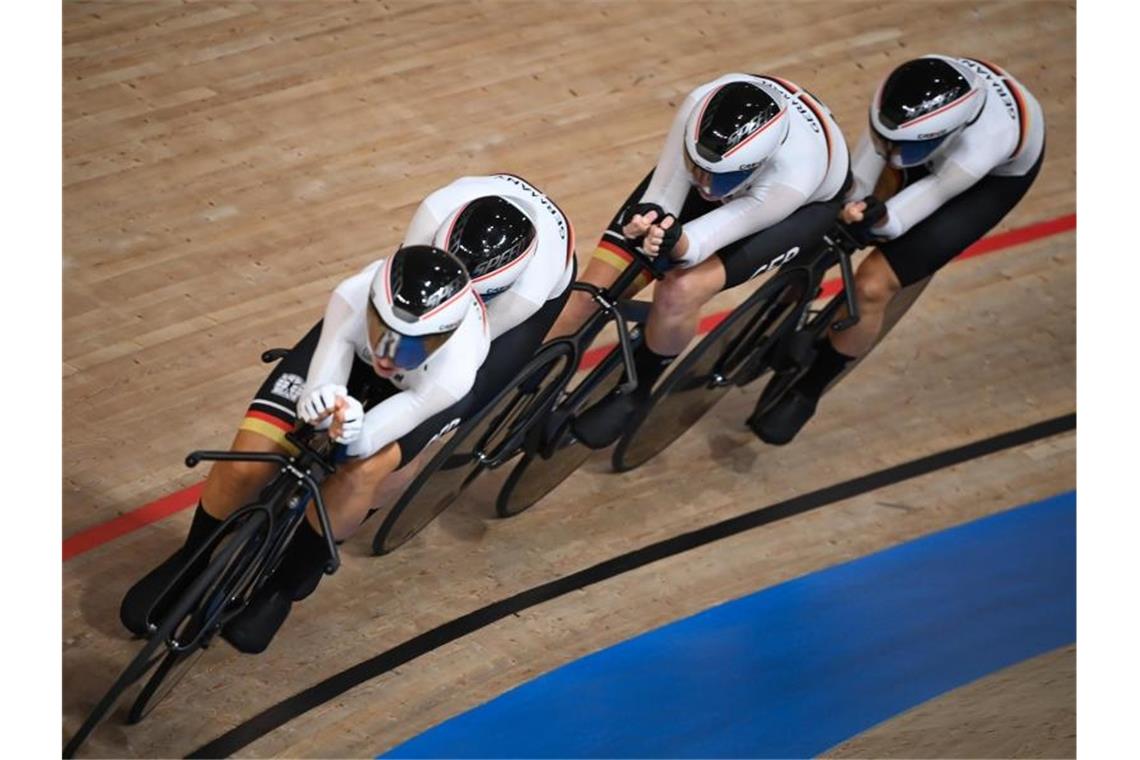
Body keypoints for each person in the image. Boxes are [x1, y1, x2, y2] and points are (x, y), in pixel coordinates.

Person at [119, 174, 576, 653]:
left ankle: (285, 587)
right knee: (255, 448)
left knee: (370, 467)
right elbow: (361, 335)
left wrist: (359, 431)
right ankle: (192, 558)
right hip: (420, 296)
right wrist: (322, 395)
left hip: (498, 322)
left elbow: (413, 386)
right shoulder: (416, 233)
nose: (386, 358)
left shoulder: (487, 328)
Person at [750, 55, 1046, 444]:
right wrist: (850, 204)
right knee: (830, 215)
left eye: (898, 146)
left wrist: (878, 219)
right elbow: (866, 167)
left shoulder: (983, 145)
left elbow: (917, 203)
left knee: (872, 286)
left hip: (983, 182)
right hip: (918, 137)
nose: (888, 149)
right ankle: (787, 305)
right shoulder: (897, 105)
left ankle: (809, 389)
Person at [550, 72, 851, 448]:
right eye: (699, 168)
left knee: (681, 288)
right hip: (732, 166)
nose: (705, 184)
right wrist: (648, 220)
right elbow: (663, 195)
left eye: (715, 176)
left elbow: (696, 245)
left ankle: (637, 388)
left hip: (799, 207)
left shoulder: (790, 179)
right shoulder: (698, 105)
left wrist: (673, 241)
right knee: (587, 295)